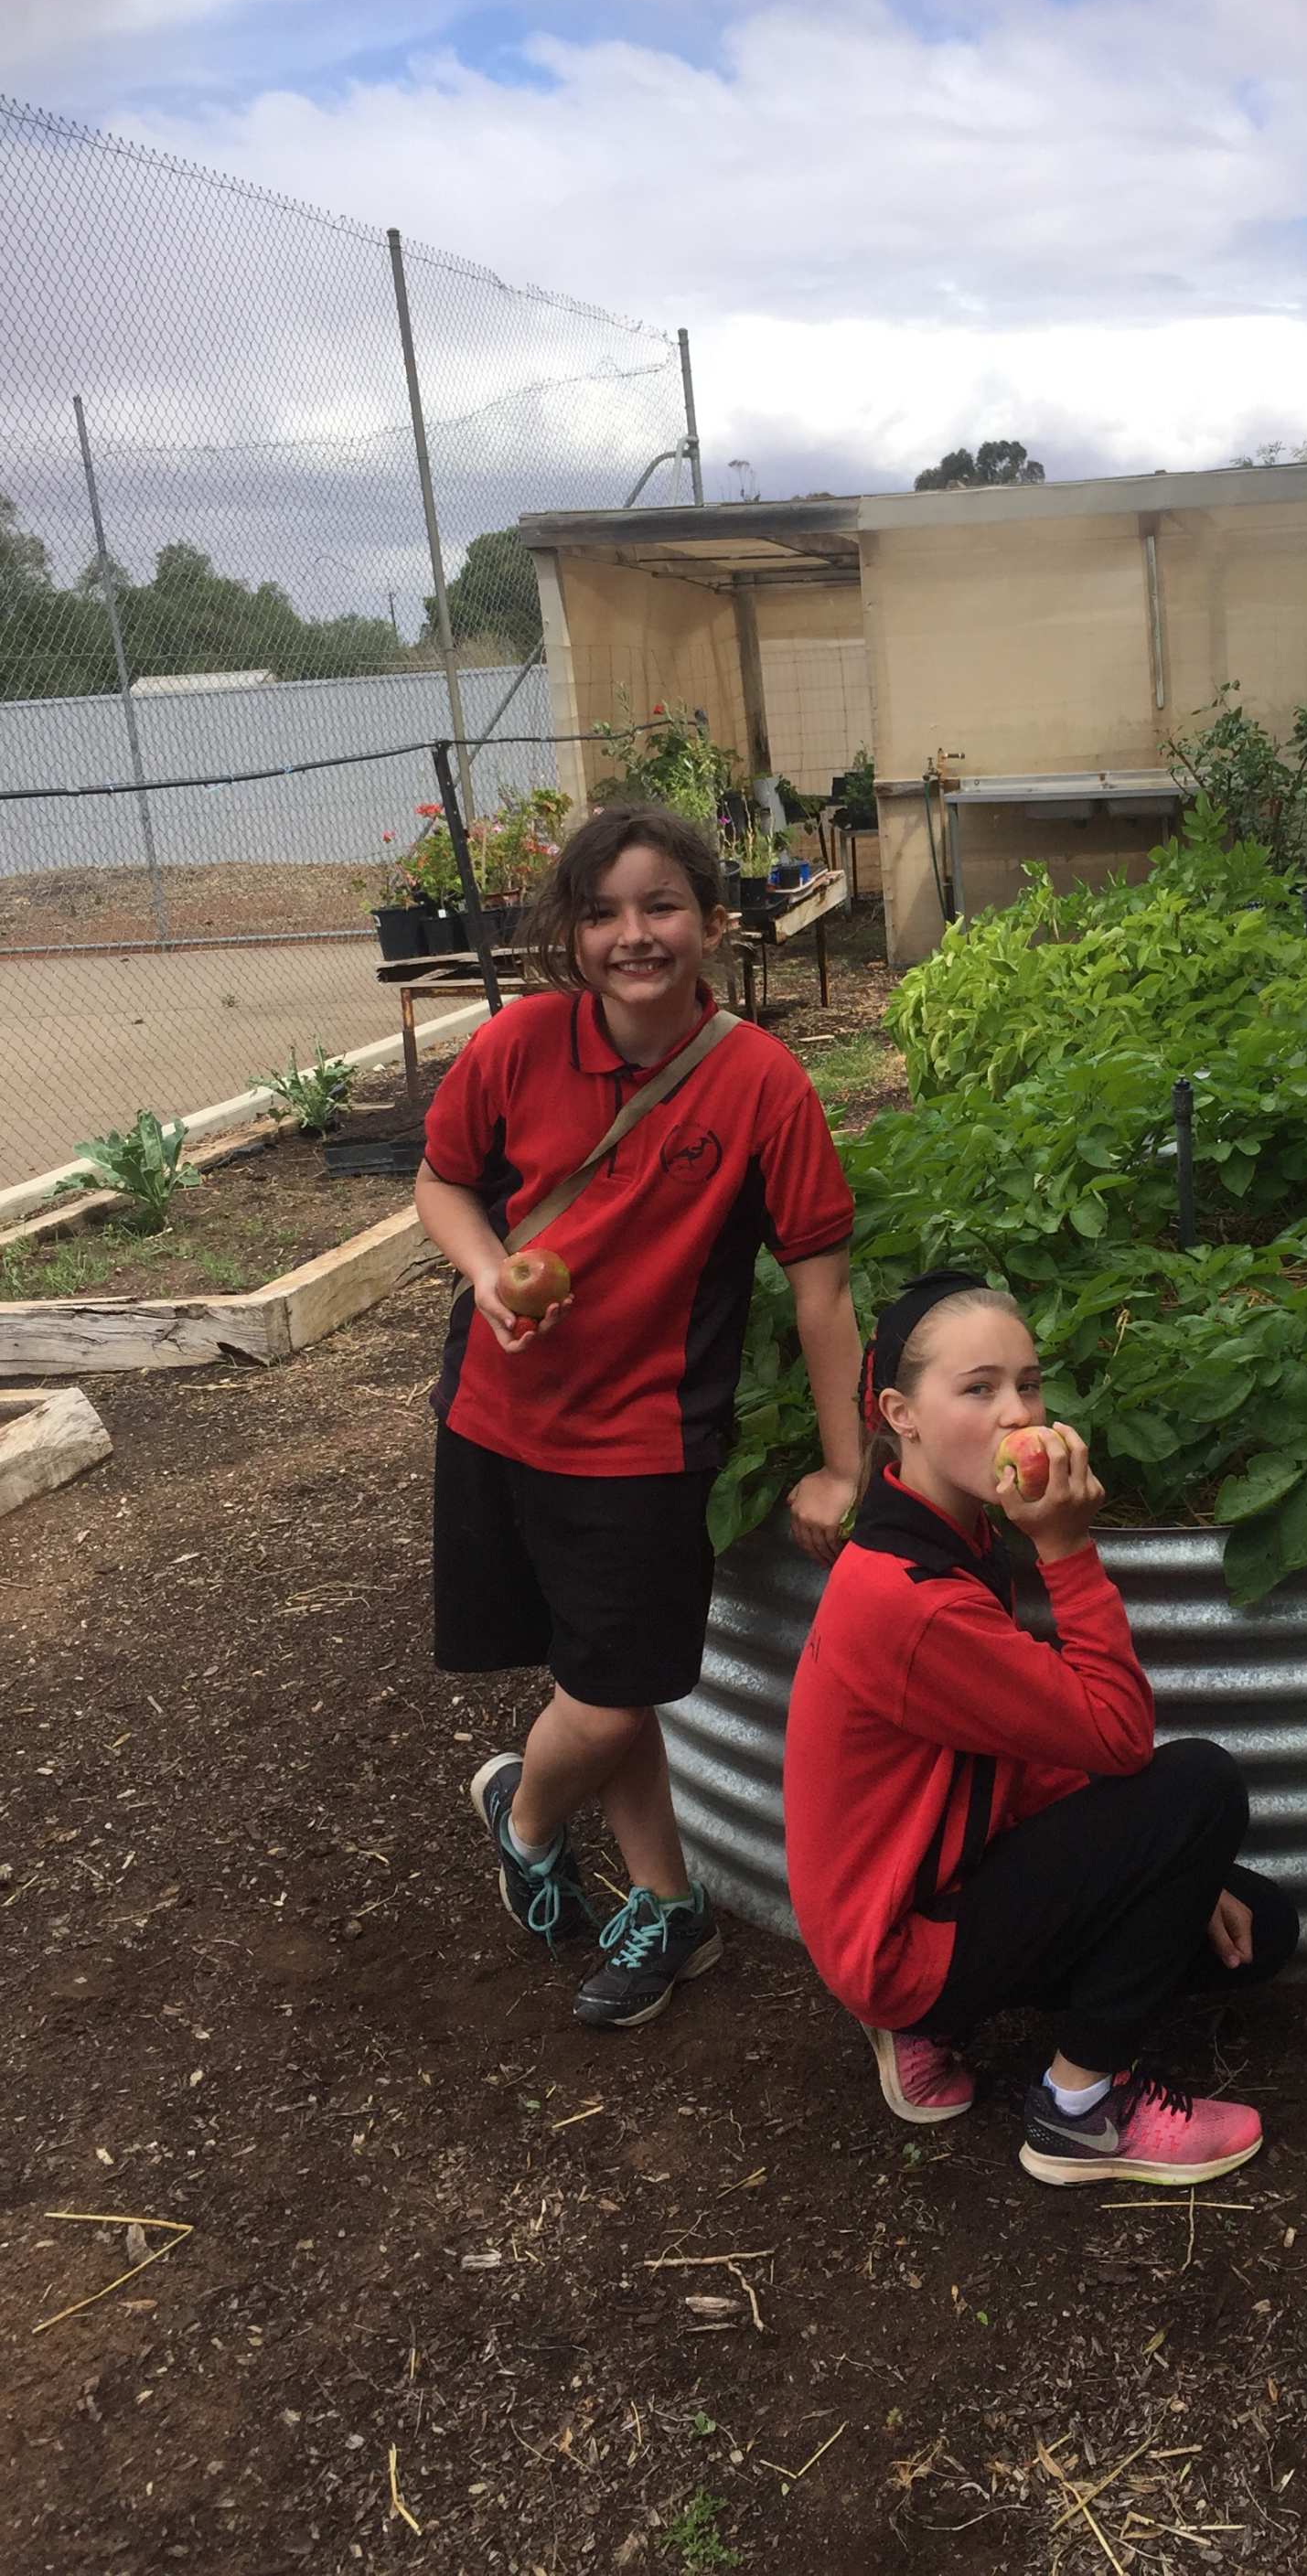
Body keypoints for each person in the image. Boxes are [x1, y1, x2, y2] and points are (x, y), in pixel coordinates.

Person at [415, 801, 862, 2030]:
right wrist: (484, 1274)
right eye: (603, 912)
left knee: (615, 1689)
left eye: (660, 906)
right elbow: (444, 1181)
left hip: (643, 1439)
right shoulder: (518, 1047)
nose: (633, 935)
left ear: (713, 923)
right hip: (497, 1417)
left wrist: (842, 1465)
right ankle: (669, 1901)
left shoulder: (760, 1084)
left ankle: (526, 1813)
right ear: (571, 931)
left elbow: (820, 1290)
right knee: (604, 1672)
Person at [782, 1272, 1299, 2186]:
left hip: (930, 1884)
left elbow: (1017, 1740)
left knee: (1262, 1924)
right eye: (977, 1388)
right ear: (900, 1413)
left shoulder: (953, 1535)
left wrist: (1167, 1867)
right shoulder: (910, 1600)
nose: (1017, 1412)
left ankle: (938, 2022)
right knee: (1201, 1782)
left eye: (1027, 1382)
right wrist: (1066, 1547)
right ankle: (1077, 2111)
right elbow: (1117, 1736)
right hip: (900, 1936)